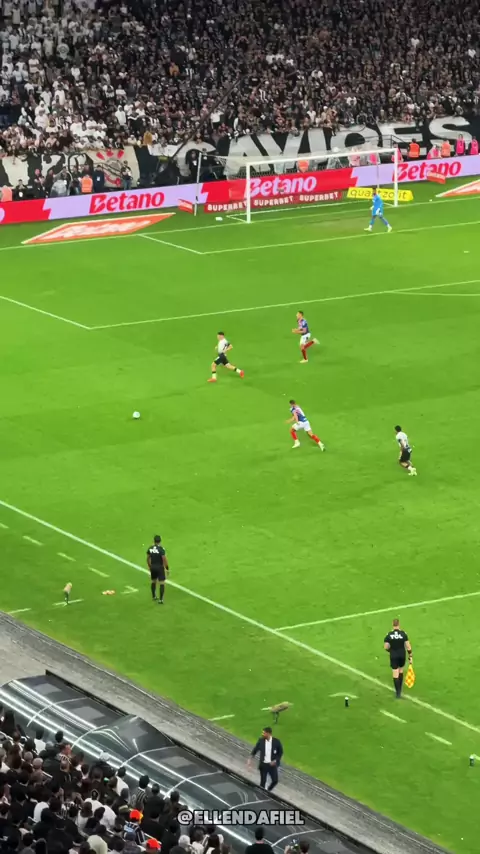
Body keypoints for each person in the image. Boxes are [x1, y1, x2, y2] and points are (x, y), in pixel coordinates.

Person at [384, 618, 412, 699]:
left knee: (395, 673)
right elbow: (408, 646)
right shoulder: (403, 634)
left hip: (394, 656)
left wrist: (391, 650)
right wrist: (410, 655)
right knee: (401, 671)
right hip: (402, 655)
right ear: (399, 624)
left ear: (393, 625)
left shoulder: (389, 635)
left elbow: (386, 647)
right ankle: (400, 689)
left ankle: (398, 692)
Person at [248, 727, 283, 792]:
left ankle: (268, 791)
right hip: (263, 765)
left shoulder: (276, 742)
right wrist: (250, 759)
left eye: (264, 733)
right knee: (263, 782)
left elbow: (280, 753)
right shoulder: (261, 741)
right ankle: (262, 793)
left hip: (272, 766)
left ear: (268, 733)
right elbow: (255, 750)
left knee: (275, 781)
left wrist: (275, 760)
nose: (262, 734)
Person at [147, 536, 169, 604]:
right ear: (160, 541)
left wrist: (150, 566)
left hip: (153, 567)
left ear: (154, 541)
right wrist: (167, 568)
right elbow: (164, 558)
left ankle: (154, 596)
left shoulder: (150, 548)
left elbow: (148, 558)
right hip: (159, 567)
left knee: (153, 581)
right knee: (162, 582)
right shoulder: (161, 549)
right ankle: (161, 599)